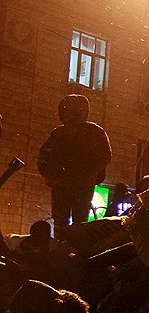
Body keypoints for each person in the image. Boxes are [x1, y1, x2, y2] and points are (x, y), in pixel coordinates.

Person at [37, 94, 112, 238]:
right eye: (66, 110)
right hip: (62, 185)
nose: (68, 114)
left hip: (81, 185)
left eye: (71, 110)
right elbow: (44, 157)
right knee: (61, 222)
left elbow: (104, 156)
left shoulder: (94, 132)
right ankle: (61, 245)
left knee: (80, 221)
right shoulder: (58, 133)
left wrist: (86, 174)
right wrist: (52, 176)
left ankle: (76, 246)